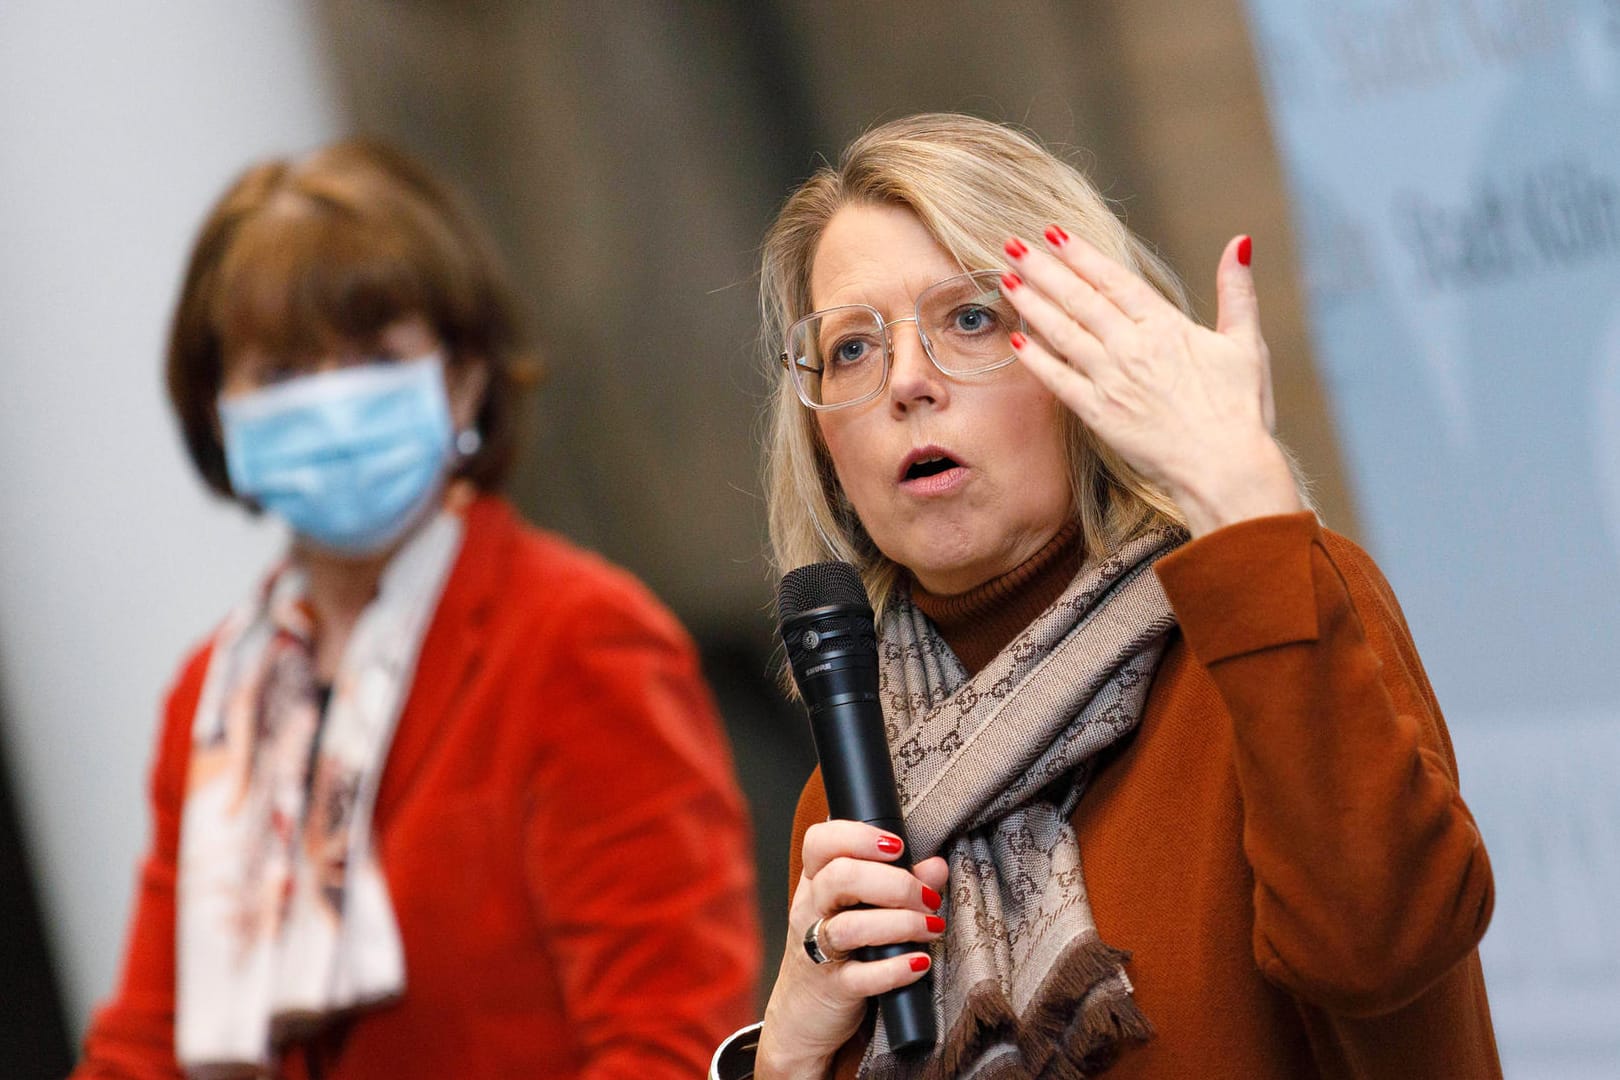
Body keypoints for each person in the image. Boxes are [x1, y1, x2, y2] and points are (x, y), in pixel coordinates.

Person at [719, 113, 1500, 1079]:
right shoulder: (848, 806)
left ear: (1088, 359)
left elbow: (1390, 949)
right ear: (826, 453)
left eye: (971, 318)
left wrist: (1246, 503)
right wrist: (787, 1055)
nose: (907, 382)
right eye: (851, 349)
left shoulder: (1270, 618)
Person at [76, 139, 761, 1079]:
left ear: (466, 377)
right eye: (280, 373)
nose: (329, 405)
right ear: (217, 412)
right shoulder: (212, 695)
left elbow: (670, 1040)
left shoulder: (578, 637)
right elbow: (144, 1046)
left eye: (371, 358)